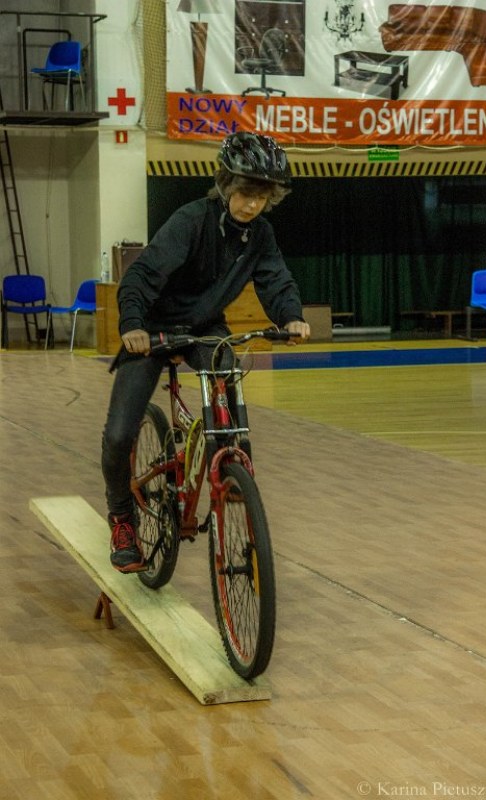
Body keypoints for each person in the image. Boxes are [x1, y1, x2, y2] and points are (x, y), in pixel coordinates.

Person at [101, 131, 311, 573]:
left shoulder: (260, 235)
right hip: (153, 329)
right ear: (226, 185)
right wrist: (133, 325)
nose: (252, 205)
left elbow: (276, 280)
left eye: (262, 197)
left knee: (226, 365)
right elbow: (142, 275)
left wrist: (291, 316)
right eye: (246, 193)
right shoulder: (191, 220)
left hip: (203, 329)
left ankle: (230, 462)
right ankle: (121, 520)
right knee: (119, 435)